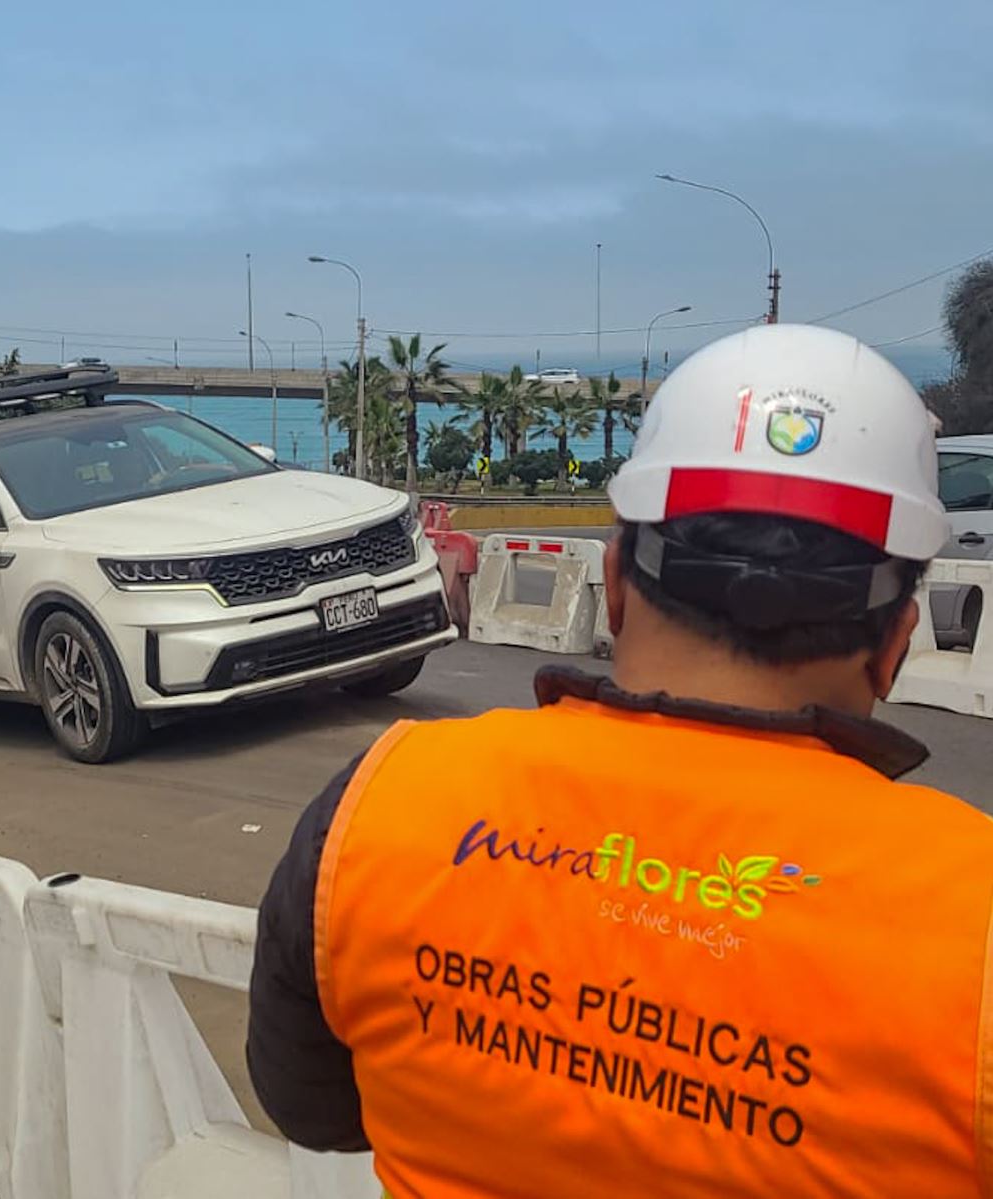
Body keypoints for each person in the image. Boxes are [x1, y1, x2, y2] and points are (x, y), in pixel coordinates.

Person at [247, 324, 992, 1195]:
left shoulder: (381, 803)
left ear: (617, 582)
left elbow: (310, 1105)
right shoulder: (967, 913)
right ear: (897, 641)